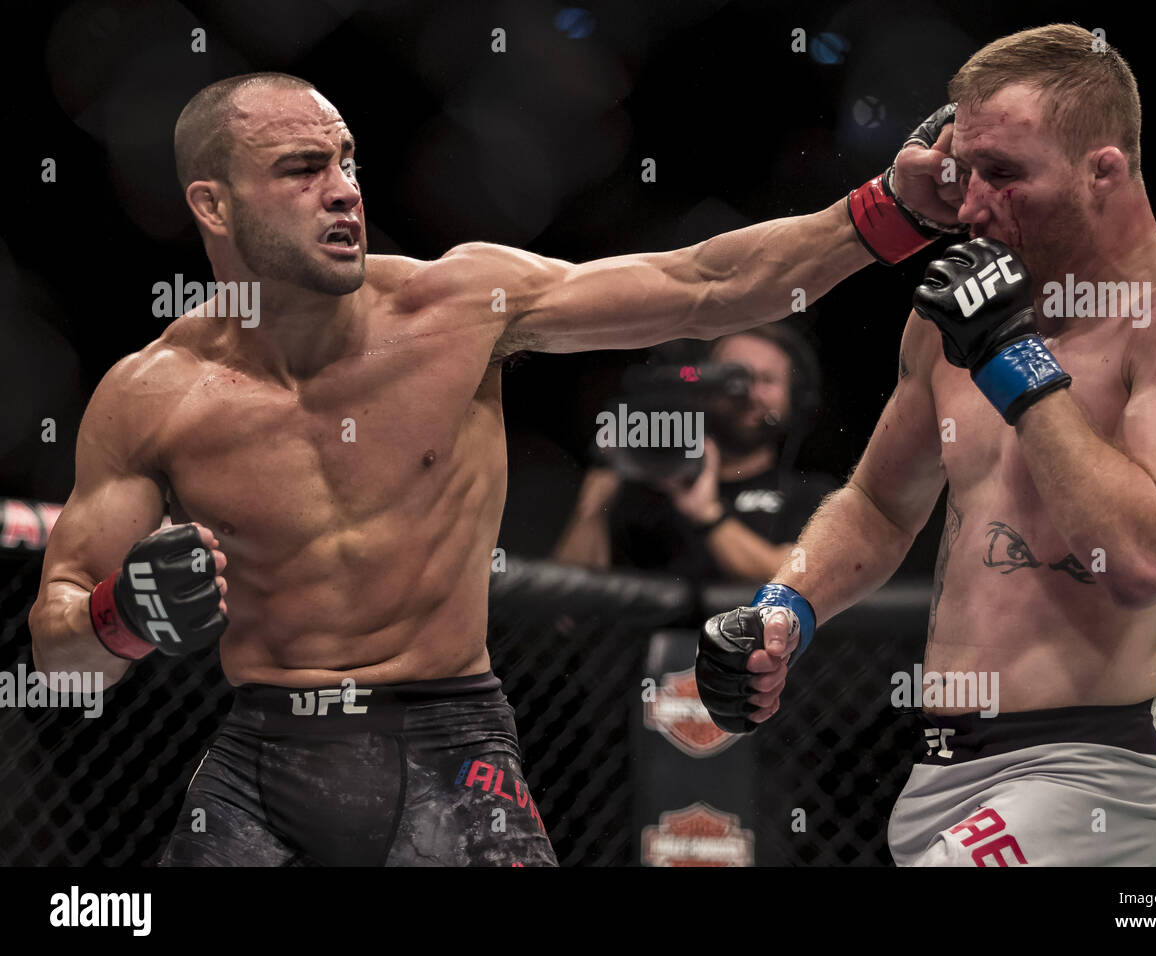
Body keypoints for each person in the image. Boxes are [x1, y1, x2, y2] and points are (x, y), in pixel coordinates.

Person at [27, 72, 960, 865]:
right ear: (212, 204)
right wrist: (122, 616)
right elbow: (59, 654)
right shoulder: (150, 395)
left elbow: (704, 284)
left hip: (453, 743)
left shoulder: (459, 305)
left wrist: (888, 207)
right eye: (303, 169)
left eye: (347, 160)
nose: (344, 189)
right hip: (265, 756)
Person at [696, 24, 1156, 866]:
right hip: (938, 777)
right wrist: (785, 606)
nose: (968, 209)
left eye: (1005, 176)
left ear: (1102, 170)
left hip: (1085, 779)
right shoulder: (956, 315)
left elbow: (1142, 561)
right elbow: (878, 506)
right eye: (965, 174)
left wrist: (1013, 361)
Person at [552, 322, 838, 582]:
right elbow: (571, 605)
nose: (747, 392)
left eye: (766, 380)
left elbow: (798, 580)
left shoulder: (811, 495)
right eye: (732, 377)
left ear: (796, 398)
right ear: (702, 388)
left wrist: (708, 514)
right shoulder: (648, 486)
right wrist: (597, 496)